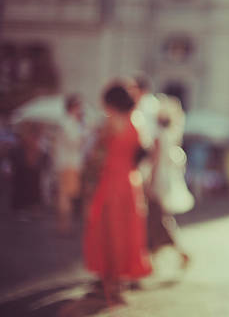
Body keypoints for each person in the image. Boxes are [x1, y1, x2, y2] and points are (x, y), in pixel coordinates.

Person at [83, 82, 151, 305]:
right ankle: (118, 281)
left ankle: (108, 280)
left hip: (112, 181)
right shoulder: (136, 120)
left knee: (107, 229)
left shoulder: (110, 122)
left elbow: (97, 152)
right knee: (125, 230)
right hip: (131, 181)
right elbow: (141, 151)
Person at [146, 95, 193, 267]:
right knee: (158, 217)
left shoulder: (159, 135)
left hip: (159, 179)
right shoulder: (170, 134)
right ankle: (155, 257)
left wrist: (150, 182)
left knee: (157, 217)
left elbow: (155, 161)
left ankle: (175, 253)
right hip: (165, 179)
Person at [55, 94, 86, 234]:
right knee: (66, 195)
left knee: (65, 195)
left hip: (67, 163)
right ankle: (64, 226)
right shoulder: (69, 122)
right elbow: (75, 142)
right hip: (69, 163)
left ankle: (64, 225)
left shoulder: (66, 122)